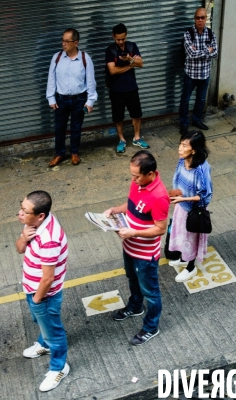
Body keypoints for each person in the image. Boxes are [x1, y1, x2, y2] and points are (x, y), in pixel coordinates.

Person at [104, 150, 169, 345]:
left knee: (151, 292)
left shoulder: (159, 197)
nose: (133, 180)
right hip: (129, 247)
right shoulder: (138, 183)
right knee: (132, 278)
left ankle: (151, 326)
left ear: (150, 174)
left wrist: (133, 233)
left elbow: (160, 229)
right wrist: (115, 210)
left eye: (136, 176)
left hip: (145, 254)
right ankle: (135, 306)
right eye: (132, 175)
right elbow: (133, 204)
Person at [16, 190, 69, 392]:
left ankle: (59, 367)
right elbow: (20, 248)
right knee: (44, 324)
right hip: (32, 289)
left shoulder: (49, 239)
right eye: (21, 207)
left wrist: (37, 300)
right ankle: (43, 343)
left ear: (41, 215)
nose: (20, 214)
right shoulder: (33, 225)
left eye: (25, 211)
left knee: (54, 333)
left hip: (44, 295)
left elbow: (48, 278)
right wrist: (23, 236)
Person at [47, 28, 98, 167]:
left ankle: (74, 152)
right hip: (61, 99)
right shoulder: (57, 57)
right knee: (59, 128)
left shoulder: (84, 58)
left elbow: (91, 81)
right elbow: (51, 79)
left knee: (76, 127)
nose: (63, 44)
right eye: (62, 40)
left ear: (76, 42)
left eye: (67, 41)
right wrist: (51, 98)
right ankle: (59, 153)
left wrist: (90, 101)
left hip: (79, 99)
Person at [167, 131, 213, 282]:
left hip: (194, 211)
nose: (180, 148)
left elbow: (204, 195)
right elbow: (178, 180)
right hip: (181, 206)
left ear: (194, 150)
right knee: (180, 235)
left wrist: (183, 199)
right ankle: (184, 259)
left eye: (184, 145)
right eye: (180, 144)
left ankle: (191, 267)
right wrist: (175, 197)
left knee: (191, 239)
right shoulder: (182, 161)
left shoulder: (201, 169)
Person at [105, 23, 149, 153]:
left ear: (126, 35)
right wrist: (131, 65)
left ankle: (137, 137)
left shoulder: (132, 46)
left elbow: (140, 64)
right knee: (118, 117)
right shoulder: (110, 50)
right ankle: (122, 139)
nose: (120, 41)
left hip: (131, 88)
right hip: (116, 89)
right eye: (118, 39)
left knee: (136, 114)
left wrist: (130, 58)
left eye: (123, 38)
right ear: (113, 37)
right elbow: (112, 70)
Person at [179, 7, 218, 135]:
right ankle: (184, 124)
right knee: (185, 100)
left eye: (203, 17)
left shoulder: (211, 34)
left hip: (204, 74)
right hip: (190, 74)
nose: (200, 20)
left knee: (201, 100)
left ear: (206, 18)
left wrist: (200, 52)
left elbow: (216, 53)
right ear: (194, 19)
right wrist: (208, 51)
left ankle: (196, 120)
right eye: (197, 18)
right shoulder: (188, 33)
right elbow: (191, 54)